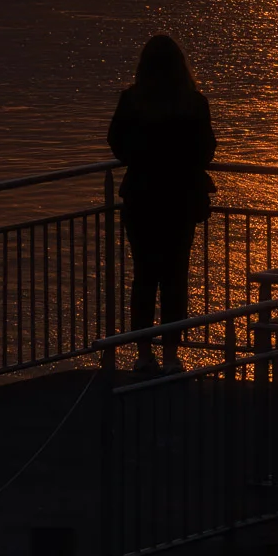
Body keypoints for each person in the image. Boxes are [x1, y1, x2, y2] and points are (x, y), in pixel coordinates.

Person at [107, 34, 217, 377]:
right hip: (180, 201)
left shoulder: (133, 101)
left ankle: (143, 354)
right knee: (174, 280)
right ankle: (170, 355)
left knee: (143, 278)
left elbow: (115, 141)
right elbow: (207, 151)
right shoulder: (193, 103)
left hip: (141, 199)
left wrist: (140, 160)